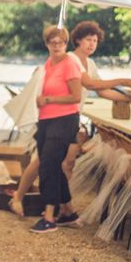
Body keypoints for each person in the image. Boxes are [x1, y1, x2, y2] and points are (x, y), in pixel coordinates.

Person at [10, 21, 131, 220]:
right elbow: (88, 83)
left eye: (95, 41)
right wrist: (121, 81)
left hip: (70, 119)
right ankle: (20, 197)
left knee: (67, 162)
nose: (92, 44)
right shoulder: (70, 58)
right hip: (56, 116)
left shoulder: (91, 63)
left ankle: (65, 209)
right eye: (88, 40)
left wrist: (130, 99)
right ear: (78, 40)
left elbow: (101, 90)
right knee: (42, 161)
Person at [27, 25, 82, 233]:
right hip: (46, 120)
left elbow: (76, 96)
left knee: (48, 165)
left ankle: (49, 215)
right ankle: (68, 211)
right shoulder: (48, 64)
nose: (57, 45)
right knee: (52, 165)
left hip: (65, 119)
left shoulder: (70, 64)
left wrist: (49, 99)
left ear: (66, 44)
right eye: (53, 41)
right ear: (47, 44)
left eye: (61, 41)